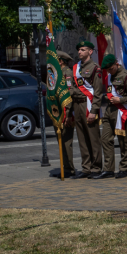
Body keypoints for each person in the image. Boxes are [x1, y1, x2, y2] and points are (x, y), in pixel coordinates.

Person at [94, 54, 127, 178]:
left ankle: (124, 168)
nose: (109, 71)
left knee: (123, 141)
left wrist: (121, 100)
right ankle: (108, 169)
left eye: (111, 69)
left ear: (116, 64)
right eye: (107, 70)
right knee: (105, 139)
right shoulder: (109, 77)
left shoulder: (126, 76)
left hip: (121, 111)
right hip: (109, 110)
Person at [69, 40, 104, 178]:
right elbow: (72, 86)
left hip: (88, 104)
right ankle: (86, 168)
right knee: (82, 138)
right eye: (79, 50)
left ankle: (96, 168)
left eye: (83, 50)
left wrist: (94, 111)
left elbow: (97, 92)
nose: (79, 52)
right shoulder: (75, 68)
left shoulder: (95, 68)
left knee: (93, 137)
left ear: (90, 52)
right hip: (76, 105)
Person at [53, 50, 77, 178]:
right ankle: (65, 167)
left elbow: (68, 94)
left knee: (66, 142)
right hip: (57, 111)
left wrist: (68, 114)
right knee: (61, 141)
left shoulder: (67, 73)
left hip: (65, 112)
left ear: (61, 61)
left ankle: (69, 169)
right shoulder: (56, 74)